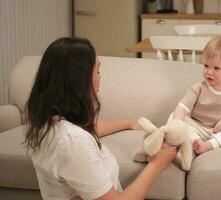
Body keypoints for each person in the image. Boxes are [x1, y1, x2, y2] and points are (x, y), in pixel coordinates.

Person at [24, 37, 178, 200]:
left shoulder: (49, 122)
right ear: (79, 80)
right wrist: (156, 165)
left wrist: (129, 124)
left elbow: (91, 127)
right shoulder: (72, 142)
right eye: (97, 70)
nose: (100, 77)